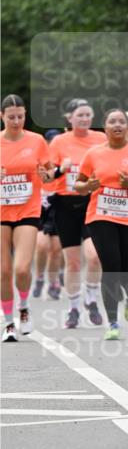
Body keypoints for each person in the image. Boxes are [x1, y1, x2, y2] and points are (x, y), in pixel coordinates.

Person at [74, 108, 128, 340]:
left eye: (122, 121)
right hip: (100, 216)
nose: (118, 125)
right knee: (110, 267)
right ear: (105, 126)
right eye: (113, 121)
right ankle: (112, 322)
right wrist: (88, 187)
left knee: (127, 273)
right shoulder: (93, 154)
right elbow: (78, 186)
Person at [48, 99, 106, 328]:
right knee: (72, 262)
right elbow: (48, 175)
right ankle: (73, 308)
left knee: (94, 256)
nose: (84, 119)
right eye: (79, 115)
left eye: (88, 115)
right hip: (65, 205)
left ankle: (91, 299)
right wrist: (61, 169)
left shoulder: (101, 140)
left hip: (92, 203)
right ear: (69, 118)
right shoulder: (59, 142)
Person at [0, 94, 53, 341]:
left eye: (20, 116)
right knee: (3, 271)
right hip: (1, 213)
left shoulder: (37, 141)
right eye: (11, 117)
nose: (16, 121)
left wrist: (46, 175)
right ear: (2, 117)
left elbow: (49, 174)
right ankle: (8, 322)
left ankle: (23, 307)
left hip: (27, 211)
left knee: (21, 269)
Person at [33, 128, 64, 300]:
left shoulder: (63, 159)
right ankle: (39, 277)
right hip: (40, 203)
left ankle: (53, 282)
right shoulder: (39, 156)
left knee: (56, 249)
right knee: (42, 246)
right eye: (52, 140)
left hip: (57, 202)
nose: (55, 143)